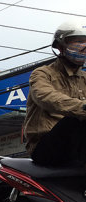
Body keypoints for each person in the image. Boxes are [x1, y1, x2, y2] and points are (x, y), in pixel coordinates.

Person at [24, 20, 86, 167]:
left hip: (76, 149)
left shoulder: (84, 78)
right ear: (60, 46)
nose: (83, 47)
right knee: (76, 120)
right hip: (45, 148)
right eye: (77, 42)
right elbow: (46, 97)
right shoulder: (42, 74)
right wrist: (82, 108)